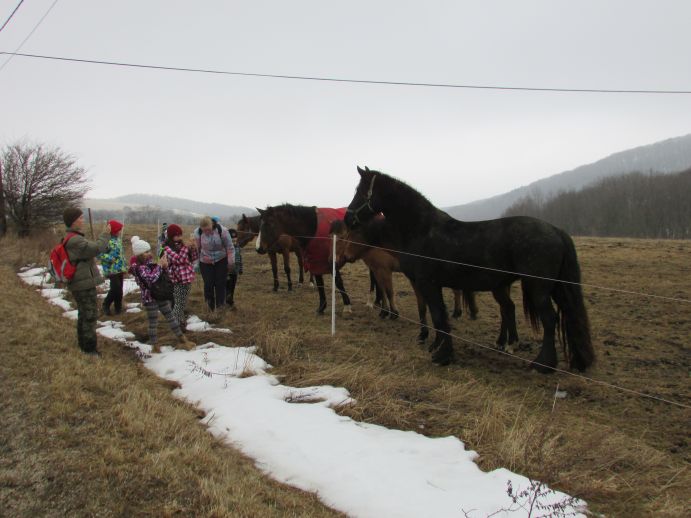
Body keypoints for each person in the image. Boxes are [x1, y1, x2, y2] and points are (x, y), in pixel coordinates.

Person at [129, 237, 195, 352]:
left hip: (160, 295)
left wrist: (164, 267)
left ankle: (183, 340)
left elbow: (158, 275)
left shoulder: (149, 264)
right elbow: (151, 278)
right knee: (153, 323)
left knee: (171, 317)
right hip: (150, 299)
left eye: (149, 251)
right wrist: (159, 266)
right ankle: (155, 346)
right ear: (139, 254)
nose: (149, 254)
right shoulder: (138, 268)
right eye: (146, 252)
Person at [62, 207, 110, 356]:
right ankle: (89, 349)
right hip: (83, 283)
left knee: (83, 314)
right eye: (80, 218)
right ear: (73, 221)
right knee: (89, 315)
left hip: (80, 281)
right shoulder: (75, 239)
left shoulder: (72, 237)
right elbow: (96, 248)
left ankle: (83, 345)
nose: (82, 221)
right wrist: (106, 234)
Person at [162, 224, 198, 331]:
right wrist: (186, 248)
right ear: (171, 236)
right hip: (178, 278)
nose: (179, 237)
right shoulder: (167, 248)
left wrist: (193, 248)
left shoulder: (181, 245)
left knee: (182, 302)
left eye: (180, 235)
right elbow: (179, 260)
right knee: (178, 303)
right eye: (176, 235)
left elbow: (193, 259)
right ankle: (175, 325)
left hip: (187, 277)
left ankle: (181, 323)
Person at [195, 216, 234, 311]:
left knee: (220, 284)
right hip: (205, 261)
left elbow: (230, 247)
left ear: (212, 225)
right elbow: (197, 249)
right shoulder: (198, 232)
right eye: (204, 230)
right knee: (208, 284)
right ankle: (209, 307)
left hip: (221, 260)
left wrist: (230, 262)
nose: (206, 232)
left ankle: (220, 307)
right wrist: (196, 263)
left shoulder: (223, 231)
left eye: (208, 229)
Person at [98, 219, 126, 315]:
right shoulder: (106, 240)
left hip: (119, 268)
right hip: (110, 269)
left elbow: (121, 254)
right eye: (118, 230)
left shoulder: (118, 240)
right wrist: (110, 258)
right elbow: (99, 254)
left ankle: (118, 309)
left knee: (120, 290)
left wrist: (124, 265)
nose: (119, 232)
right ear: (114, 230)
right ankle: (106, 304)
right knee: (115, 288)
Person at [226, 228, 243, 308]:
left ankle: (231, 300)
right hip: (228, 272)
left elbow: (240, 258)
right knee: (227, 287)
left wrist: (240, 269)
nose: (234, 242)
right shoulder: (225, 248)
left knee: (233, 286)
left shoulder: (238, 247)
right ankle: (227, 302)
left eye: (235, 240)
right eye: (232, 240)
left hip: (235, 271)